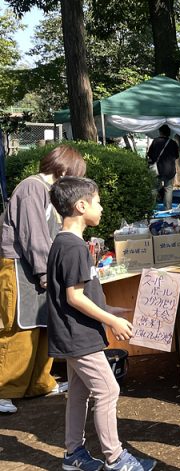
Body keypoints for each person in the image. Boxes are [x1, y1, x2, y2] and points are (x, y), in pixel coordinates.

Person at [47, 176, 157, 471]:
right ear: (81, 206)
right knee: (108, 390)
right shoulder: (73, 248)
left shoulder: (66, 244)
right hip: (79, 338)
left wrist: (112, 308)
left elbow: (77, 295)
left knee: (79, 394)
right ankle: (116, 458)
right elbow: (74, 297)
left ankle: (73, 454)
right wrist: (111, 320)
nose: (102, 207)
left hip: (74, 335)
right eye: (97, 201)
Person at [0, 145, 86, 415]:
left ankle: (39, 383)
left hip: (37, 267)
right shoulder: (32, 187)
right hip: (19, 266)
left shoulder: (48, 192)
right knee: (18, 327)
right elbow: (33, 235)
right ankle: (4, 389)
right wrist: (45, 273)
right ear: (62, 169)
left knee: (41, 324)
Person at [147, 124, 180, 211]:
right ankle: (168, 208)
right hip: (169, 170)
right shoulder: (173, 143)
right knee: (168, 189)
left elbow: (149, 154)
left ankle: (151, 207)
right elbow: (176, 156)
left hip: (156, 169)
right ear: (169, 133)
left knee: (154, 189)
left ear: (160, 132)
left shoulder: (155, 141)